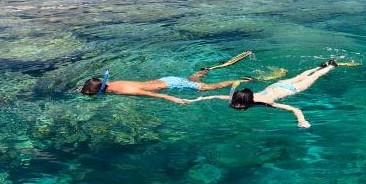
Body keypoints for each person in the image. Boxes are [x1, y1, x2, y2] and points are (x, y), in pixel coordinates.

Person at [189, 60, 338, 127]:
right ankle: (320, 66)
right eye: (235, 105)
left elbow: (295, 109)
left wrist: (301, 121)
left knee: (313, 77)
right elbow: (215, 95)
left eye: (239, 106)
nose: (236, 107)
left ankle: (330, 66)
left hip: (289, 89)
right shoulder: (235, 98)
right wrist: (196, 100)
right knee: (299, 76)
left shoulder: (267, 103)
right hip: (278, 85)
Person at [79, 67, 251, 104]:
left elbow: (157, 95)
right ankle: (200, 73)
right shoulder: (109, 83)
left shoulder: (125, 90)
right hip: (166, 79)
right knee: (191, 81)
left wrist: (175, 99)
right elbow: (91, 86)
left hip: (172, 85)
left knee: (209, 88)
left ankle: (242, 80)